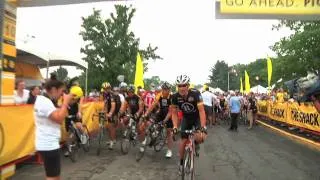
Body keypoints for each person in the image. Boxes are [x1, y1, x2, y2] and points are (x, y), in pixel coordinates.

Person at [34, 74, 72, 180]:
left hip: (48, 143)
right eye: (61, 92)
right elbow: (59, 119)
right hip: (48, 145)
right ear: (54, 89)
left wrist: (65, 104)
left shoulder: (46, 101)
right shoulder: (44, 102)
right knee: (52, 176)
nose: (62, 95)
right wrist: (65, 103)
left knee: (54, 175)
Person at [170, 75, 207, 173]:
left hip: (197, 118)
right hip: (186, 118)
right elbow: (173, 113)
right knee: (183, 141)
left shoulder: (195, 94)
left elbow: (202, 111)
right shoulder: (174, 97)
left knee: (201, 137)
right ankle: (181, 163)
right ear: (177, 86)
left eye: (184, 85)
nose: (182, 88)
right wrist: (174, 126)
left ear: (188, 85)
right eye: (179, 86)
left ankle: (196, 143)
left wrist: (203, 127)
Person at [144, 82, 174, 158]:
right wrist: (146, 113)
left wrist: (164, 121)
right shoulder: (159, 95)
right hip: (161, 112)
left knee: (168, 132)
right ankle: (155, 135)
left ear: (169, 90)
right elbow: (152, 105)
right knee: (150, 123)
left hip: (169, 114)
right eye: (163, 89)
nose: (165, 91)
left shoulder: (172, 97)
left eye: (167, 89)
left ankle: (169, 150)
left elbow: (170, 111)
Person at [119, 85, 145, 151]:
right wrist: (121, 112)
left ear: (133, 92)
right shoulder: (127, 98)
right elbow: (123, 107)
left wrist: (138, 113)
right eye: (128, 92)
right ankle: (127, 132)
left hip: (139, 113)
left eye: (131, 92)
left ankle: (142, 143)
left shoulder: (138, 98)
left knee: (139, 128)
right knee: (125, 120)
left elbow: (141, 108)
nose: (130, 93)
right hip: (132, 112)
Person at [64, 86, 87, 156]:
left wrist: (79, 112)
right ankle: (69, 149)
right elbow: (63, 107)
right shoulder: (67, 97)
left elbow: (80, 105)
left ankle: (84, 135)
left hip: (76, 113)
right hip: (69, 115)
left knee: (79, 126)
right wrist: (66, 115)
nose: (75, 99)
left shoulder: (80, 97)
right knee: (70, 134)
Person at [102, 83, 122, 150]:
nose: (105, 90)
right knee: (106, 126)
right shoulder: (105, 94)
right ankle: (111, 138)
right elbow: (105, 104)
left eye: (107, 89)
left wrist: (110, 113)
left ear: (109, 88)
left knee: (111, 127)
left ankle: (112, 141)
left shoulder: (112, 95)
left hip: (114, 111)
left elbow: (113, 106)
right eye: (104, 89)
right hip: (109, 110)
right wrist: (103, 112)